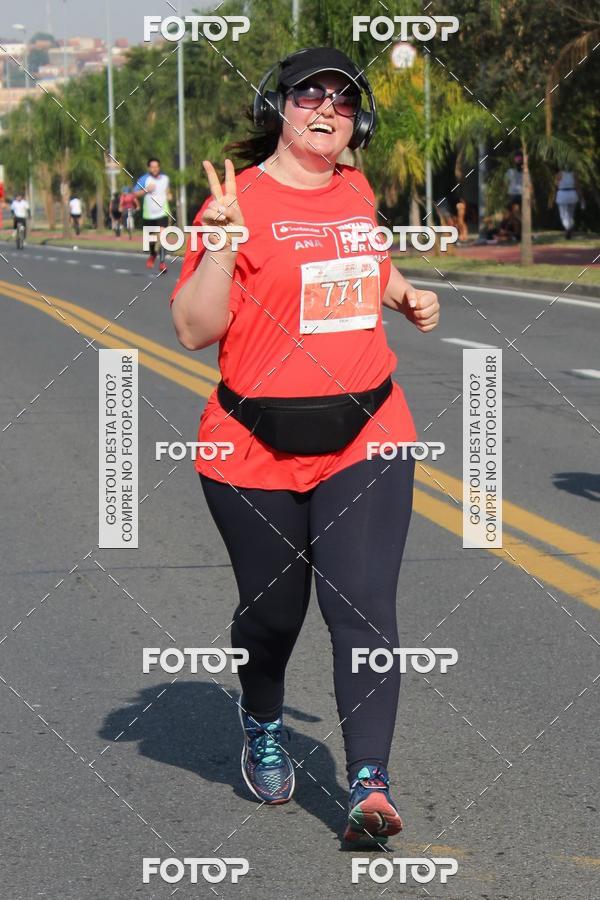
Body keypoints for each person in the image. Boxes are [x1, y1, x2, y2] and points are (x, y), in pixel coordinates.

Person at [170, 47, 440, 847]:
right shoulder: (234, 202)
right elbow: (191, 331)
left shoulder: (355, 190)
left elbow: (363, 264)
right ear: (279, 107)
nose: (328, 106)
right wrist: (221, 245)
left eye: (344, 98)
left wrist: (404, 293)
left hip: (368, 433)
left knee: (361, 604)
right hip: (252, 446)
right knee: (273, 615)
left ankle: (370, 786)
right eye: (310, 94)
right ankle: (262, 717)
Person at [134, 157, 172, 271]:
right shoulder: (144, 179)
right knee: (152, 239)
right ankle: (152, 254)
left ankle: (162, 262)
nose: (155, 169)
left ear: (159, 167)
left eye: (156, 167)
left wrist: (169, 195)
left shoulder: (165, 178)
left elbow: (167, 191)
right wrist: (146, 190)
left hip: (162, 212)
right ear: (149, 168)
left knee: (163, 236)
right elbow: (135, 194)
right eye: (152, 167)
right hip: (149, 214)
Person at [554, 169, 582, 240]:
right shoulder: (574, 174)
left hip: (562, 194)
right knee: (571, 215)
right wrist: (581, 198)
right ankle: (569, 228)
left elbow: (556, 184)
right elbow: (577, 186)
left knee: (563, 215)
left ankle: (567, 227)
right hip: (572, 194)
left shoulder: (559, 174)